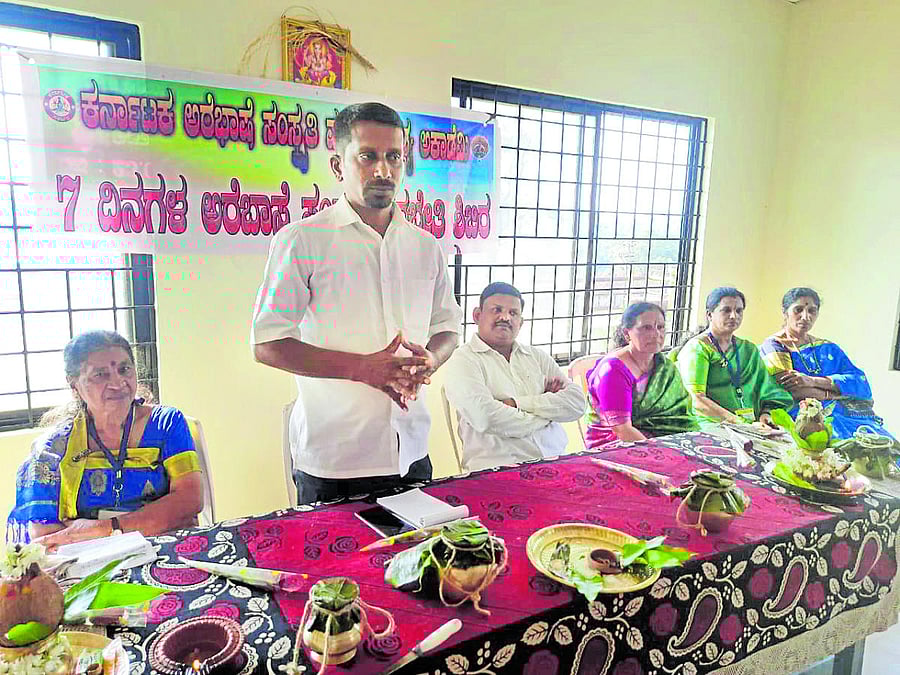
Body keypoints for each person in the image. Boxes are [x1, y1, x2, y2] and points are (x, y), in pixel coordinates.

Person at [251, 102, 462, 504]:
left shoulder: (425, 246)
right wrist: (362, 368)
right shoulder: (303, 241)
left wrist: (431, 360)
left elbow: (448, 328)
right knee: (333, 569)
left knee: (417, 565)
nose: (382, 170)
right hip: (334, 463)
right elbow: (267, 343)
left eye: (393, 157)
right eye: (367, 156)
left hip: (411, 452)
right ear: (338, 165)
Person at [9, 330, 204, 546]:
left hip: (163, 548)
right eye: (100, 374)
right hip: (88, 560)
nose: (118, 383)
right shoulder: (53, 449)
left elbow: (189, 501)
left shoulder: (166, 424)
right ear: (74, 386)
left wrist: (104, 528)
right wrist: (148, 521)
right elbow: (46, 535)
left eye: (124, 369)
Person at [443, 282, 585, 471]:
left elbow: (576, 403)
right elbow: (486, 417)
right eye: (497, 310)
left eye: (513, 313)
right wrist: (547, 415)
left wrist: (516, 404)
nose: (505, 317)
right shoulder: (462, 360)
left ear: (521, 322)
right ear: (477, 315)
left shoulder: (536, 356)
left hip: (558, 462)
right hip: (498, 472)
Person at [760, 287, 894, 440]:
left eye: (812, 311)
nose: (805, 317)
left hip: (847, 415)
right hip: (805, 417)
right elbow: (792, 390)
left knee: (883, 447)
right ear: (785, 312)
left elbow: (861, 383)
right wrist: (837, 393)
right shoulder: (774, 346)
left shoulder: (828, 347)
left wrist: (811, 381)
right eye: (798, 310)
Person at [674, 287, 792, 428]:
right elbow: (697, 400)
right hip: (711, 423)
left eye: (738, 311)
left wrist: (765, 414)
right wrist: (739, 423)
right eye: (726, 310)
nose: (733, 316)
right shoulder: (698, 348)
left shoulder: (748, 349)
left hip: (751, 424)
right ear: (709, 315)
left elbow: (768, 390)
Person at [585, 302, 698, 448]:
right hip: (615, 446)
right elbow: (622, 430)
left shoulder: (664, 367)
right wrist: (660, 451)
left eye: (660, 327)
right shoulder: (612, 370)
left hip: (662, 440)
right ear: (627, 334)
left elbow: (680, 415)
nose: (656, 334)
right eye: (647, 328)